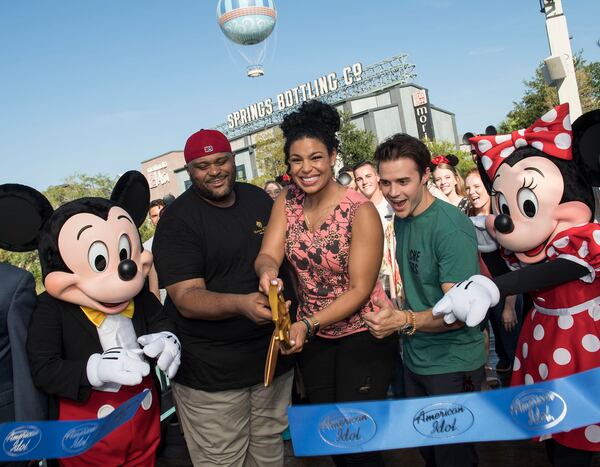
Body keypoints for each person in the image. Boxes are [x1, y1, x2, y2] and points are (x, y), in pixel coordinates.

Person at [255, 100, 396, 467]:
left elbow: (360, 290)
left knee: (360, 445)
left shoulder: (359, 211)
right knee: (333, 440)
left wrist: (307, 324)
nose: (306, 168)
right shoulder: (286, 201)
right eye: (296, 160)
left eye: (316, 157)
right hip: (314, 337)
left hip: (363, 332)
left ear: (333, 155)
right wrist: (267, 272)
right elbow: (268, 253)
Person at [152, 129, 294, 467]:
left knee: (269, 452)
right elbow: (186, 297)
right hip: (211, 375)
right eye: (203, 166)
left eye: (221, 161)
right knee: (223, 459)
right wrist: (241, 304)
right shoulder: (178, 220)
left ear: (233, 160)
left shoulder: (258, 199)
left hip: (270, 364)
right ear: (189, 170)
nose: (214, 171)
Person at [363, 134, 485, 467]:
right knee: (429, 454)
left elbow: (460, 314)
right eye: (386, 183)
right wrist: (396, 310)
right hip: (416, 358)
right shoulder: (403, 218)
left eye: (404, 181)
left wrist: (404, 320)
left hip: (453, 362)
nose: (394, 192)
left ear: (426, 176)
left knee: (453, 458)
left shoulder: (448, 226)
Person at [465, 168, 520, 380]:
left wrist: (509, 306)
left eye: (477, 186)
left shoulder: (502, 219)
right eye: (468, 187)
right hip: (481, 293)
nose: (472, 192)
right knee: (489, 347)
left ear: (488, 189)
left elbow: (515, 266)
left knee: (510, 350)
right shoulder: (466, 219)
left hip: (507, 294)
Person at [144, 198, 168, 302]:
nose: (158, 218)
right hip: (163, 299)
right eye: (154, 216)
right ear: (151, 219)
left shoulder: (185, 238)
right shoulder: (147, 247)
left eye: (161, 213)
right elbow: (153, 286)